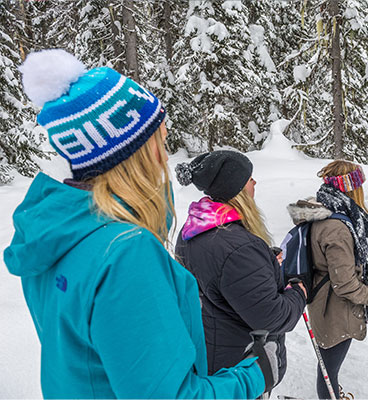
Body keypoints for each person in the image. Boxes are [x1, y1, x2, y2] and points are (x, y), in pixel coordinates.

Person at [4, 49, 273, 399]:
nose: (165, 155)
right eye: (159, 142)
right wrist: (254, 377)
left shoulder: (54, 235)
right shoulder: (125, 253)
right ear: (131, 155)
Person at [174, 150, 307, 386]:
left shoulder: (195, 228)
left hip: (209, 352)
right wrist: (298, 292)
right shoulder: (239, 249)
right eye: (249, 179)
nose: (254, 182)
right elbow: (271, 317)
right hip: (240, 367)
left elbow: (219, 275)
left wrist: (264, 260)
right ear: (235, 190)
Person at [287, 160, 368, 399]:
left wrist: (361, 266)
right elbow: (345, 284)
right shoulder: (337, 226)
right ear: (352, 189)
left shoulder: (325, 212)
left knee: (327, 366)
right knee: (329, 370)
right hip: (334, 309)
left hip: (323, 301)